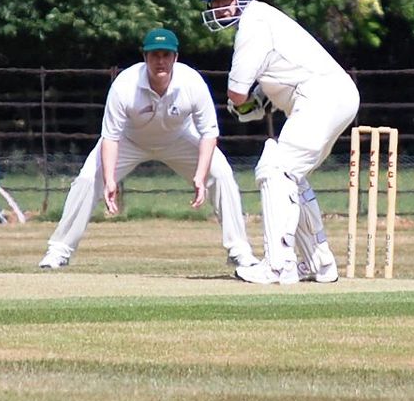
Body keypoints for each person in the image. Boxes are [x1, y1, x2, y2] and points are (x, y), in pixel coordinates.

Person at [40, 28, 257, 271]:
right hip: (129, 140)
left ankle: (239, 250)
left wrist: (199, 174)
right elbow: (110, 137)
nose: (160, 61)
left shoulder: (191, 82)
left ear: (175, 57)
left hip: (179, 138)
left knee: (221, 173)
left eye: (166, 55)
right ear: (145, 57)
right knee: (89, 178)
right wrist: (110, 180)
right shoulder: (125, 85)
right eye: (155, 55)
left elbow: (208, 133)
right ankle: (58, 251)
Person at [201, 0, 358, 285]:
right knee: (291, 176)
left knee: (275, 170)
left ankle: (278, 264)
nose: (217, 9)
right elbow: (270, 83)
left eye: (222, 1)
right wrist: (259, 99)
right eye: (214, 3)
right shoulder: (265, 18)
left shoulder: (253, 23)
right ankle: (320, 262)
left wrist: (242, 104)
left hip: (321, 98)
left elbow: (237, 93)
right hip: (334, 96)